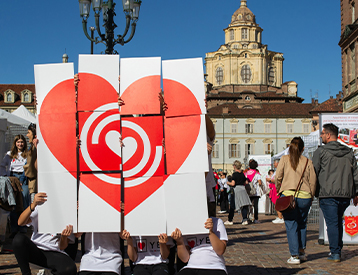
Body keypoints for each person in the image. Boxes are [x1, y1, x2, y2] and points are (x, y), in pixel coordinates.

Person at [313, 123, 358, 262]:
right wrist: (356, 193)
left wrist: (313, 192)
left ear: (328, 135)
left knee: (332, 223)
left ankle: (335, 252)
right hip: (345, 193)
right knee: (337, 221)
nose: (321, 136)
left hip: (327, 193)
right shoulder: (349, 152)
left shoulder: (321, 152)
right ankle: (337, 248)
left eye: (322, 133)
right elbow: (356, 174)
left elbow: (314, 172)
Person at [12, 192, 77, 275]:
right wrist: (33, 204)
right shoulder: (42, 207)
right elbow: (21, 222)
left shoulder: (69, 214)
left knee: (69, 269)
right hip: (37, 248)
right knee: (18, 239)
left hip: (54, 252)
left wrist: (64, 237)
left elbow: (62, 246)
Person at [275, 137, 316, 265]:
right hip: (304, 196)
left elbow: (278, 177)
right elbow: (313, 181)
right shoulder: (307, 161)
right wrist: (312, 195)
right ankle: (302, 251)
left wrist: (279, 189)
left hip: (288, 195)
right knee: (302, 224)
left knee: (291, 224)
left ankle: (294, 255)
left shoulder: (284, 159)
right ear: (303, 148)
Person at [0, 134, 29, 237]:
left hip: (23, 178)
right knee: (12, 204)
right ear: (15, 143)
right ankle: (14, 229)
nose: (20, 144)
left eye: (21, 142)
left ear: (24, 143)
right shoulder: (9, 154)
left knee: (24, 200)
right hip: (12, 178)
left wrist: (21, 179)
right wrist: (5, 176)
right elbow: (2, 165)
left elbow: (27, 167)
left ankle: (23, 228)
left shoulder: (27, 153)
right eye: (18, 142)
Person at [224, 161, 251, 226]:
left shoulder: (234, 174)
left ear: (234, 166)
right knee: (244, 204)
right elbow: (246, 182)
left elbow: (233, 183)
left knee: (232, 205)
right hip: (243, 189)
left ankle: (230, 220)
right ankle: (245, 219)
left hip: (236, 190)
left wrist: (228, 183)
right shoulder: (242, 174)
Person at [24, 123, 38, 203]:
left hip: (35, 184)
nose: (27, 135)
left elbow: (33, 167)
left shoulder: (35, 147)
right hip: (32, 184)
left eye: (29, 132)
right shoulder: (32, 147)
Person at [245, 159, 262, 224]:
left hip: (248, 192)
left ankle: (248, 217)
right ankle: (256, 219)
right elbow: (260, 183)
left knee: (249, 205)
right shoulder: (257, 174)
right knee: (255, 206)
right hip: (255, 192)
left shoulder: (246, 173)